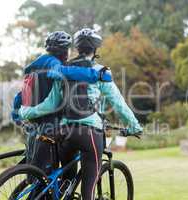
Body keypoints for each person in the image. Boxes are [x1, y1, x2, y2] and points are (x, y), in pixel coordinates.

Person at [19, 28, 142, 200]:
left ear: (76, 48)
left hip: (63, 132)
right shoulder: (100, 72)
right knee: (88, 191)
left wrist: (26, 112)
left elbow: (51, 104)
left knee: (66, 182)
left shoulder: (64, 69)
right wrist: (134, 126)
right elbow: (119, 104)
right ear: (96, 50)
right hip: (89, 133)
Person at [11, 30, 113, 175]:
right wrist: (96, 75)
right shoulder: (53, 63)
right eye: (67, 50)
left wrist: (16, 116)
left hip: (35, 125)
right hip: (50, 124)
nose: (67, 54)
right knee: (45, 178)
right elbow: (62, 72)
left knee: (38, 174)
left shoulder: (35, 67)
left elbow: (20, 96)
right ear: (64, 51)